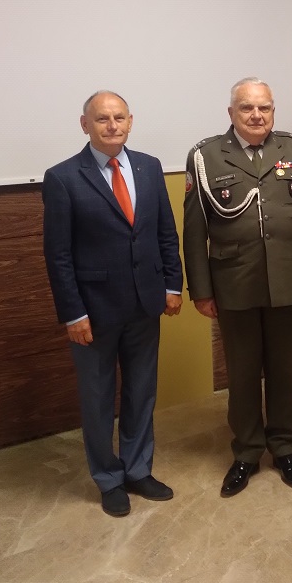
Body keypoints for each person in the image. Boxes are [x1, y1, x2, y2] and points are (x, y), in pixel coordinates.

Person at [183, 78, 292, 497]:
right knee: (243, 372)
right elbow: (194, 230)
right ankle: (247, 450)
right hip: (235, 282)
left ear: (273, 111)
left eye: (264, 108)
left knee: (285, 370)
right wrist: (201, 290)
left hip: (288, 278)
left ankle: (283, 446)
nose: (256, 115)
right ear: (231, 113)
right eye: (247, 107)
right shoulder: (205, 156)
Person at [43, 91, 183, 517]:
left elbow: (165, 232)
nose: (112, 125)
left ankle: (138, 470)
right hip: (94, 312)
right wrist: (73, 313)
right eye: (102, 119)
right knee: (98, 398)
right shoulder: (63, 177)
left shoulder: (149, 167)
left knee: (141, 392)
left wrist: (173, 285)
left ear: (130, 121)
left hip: (145, 303)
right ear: (84, 124)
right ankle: (108, 478)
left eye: (119, 117)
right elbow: (58, 254)